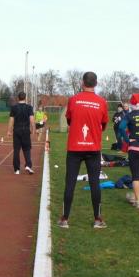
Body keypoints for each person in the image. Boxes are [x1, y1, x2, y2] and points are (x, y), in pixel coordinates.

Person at [57, 71, 109, 229]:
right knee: (95, 183)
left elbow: (69, 120)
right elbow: (104, 125)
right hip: (93, 148)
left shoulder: (73, 100)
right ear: (96, 83)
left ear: (82, 83)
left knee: (70, 182)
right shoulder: (102, 102)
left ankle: (64, 219)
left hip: (75, 148)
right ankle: (97, 219)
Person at [7, 91, 34, 174]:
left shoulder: (14, 107)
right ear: (25, 98)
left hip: (17, 130)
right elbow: (32, 119)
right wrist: (33, 129)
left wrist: (9, 131)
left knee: (16, 150)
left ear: (18, 98)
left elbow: (11, 120)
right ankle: (28, 165)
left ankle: (17, 169)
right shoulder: (29, 107)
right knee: (27, 149)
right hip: (26, 130)